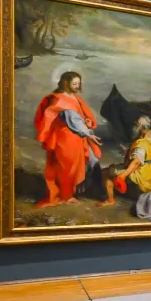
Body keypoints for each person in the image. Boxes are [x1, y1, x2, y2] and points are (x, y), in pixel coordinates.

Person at [33, 71, 103, 208]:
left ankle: (78, 191)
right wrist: (88, 134)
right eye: (74, 84)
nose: (77, 86)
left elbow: (79, 117)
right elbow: (73, 121)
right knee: (67, 168)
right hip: (66, 138)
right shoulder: (61, 100)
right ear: (66, 83)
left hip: (76, 136)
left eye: (78, 83)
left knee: (83, 163)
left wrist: (86, 120)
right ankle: (65, 196)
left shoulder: (74, 97)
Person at [97, 116, 151, 221]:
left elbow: (136, 162)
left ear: (141, 127)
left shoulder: (142, 144)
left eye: (137, 124)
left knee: (105, 172)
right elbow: (147, 154)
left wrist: (123, 175)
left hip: (142, 172)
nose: (135, 125)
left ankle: (110, 200)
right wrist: (128, 150)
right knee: (145, 194)